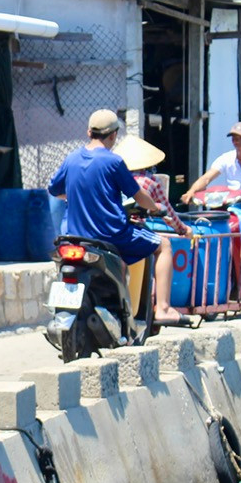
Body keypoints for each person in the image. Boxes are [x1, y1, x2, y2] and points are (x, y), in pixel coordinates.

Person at [48, 110, 189, 327]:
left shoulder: (71, 159)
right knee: (164, 246)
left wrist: (81, 195)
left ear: (89, 132)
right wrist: (155, 207)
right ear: (113, 135)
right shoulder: (113, 162)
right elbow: (139, 197)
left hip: (74, 236)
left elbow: (55, 189)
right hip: (111, 234)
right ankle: (162, 308)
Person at [182, 121, 241, 287]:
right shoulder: (226, 158)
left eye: (240, 138)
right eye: (234, 138)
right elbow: (207, 178)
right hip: (231, 206)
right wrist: (191, 192)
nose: (237, 141)